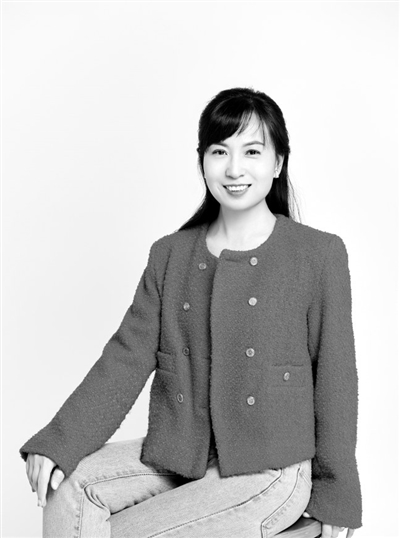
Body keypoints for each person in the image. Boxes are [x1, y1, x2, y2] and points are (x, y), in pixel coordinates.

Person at [20, 87, 362, 538]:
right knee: (66, 488)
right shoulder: (171, 255)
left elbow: (336, 378)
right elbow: (124, 359)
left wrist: (336, 494)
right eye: (220, 151)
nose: (234, 169)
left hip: (270, 470)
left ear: (278, 163)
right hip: (184, 451)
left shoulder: (317, 255)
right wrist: (59, 442)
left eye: (252, 151)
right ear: (202, 160)